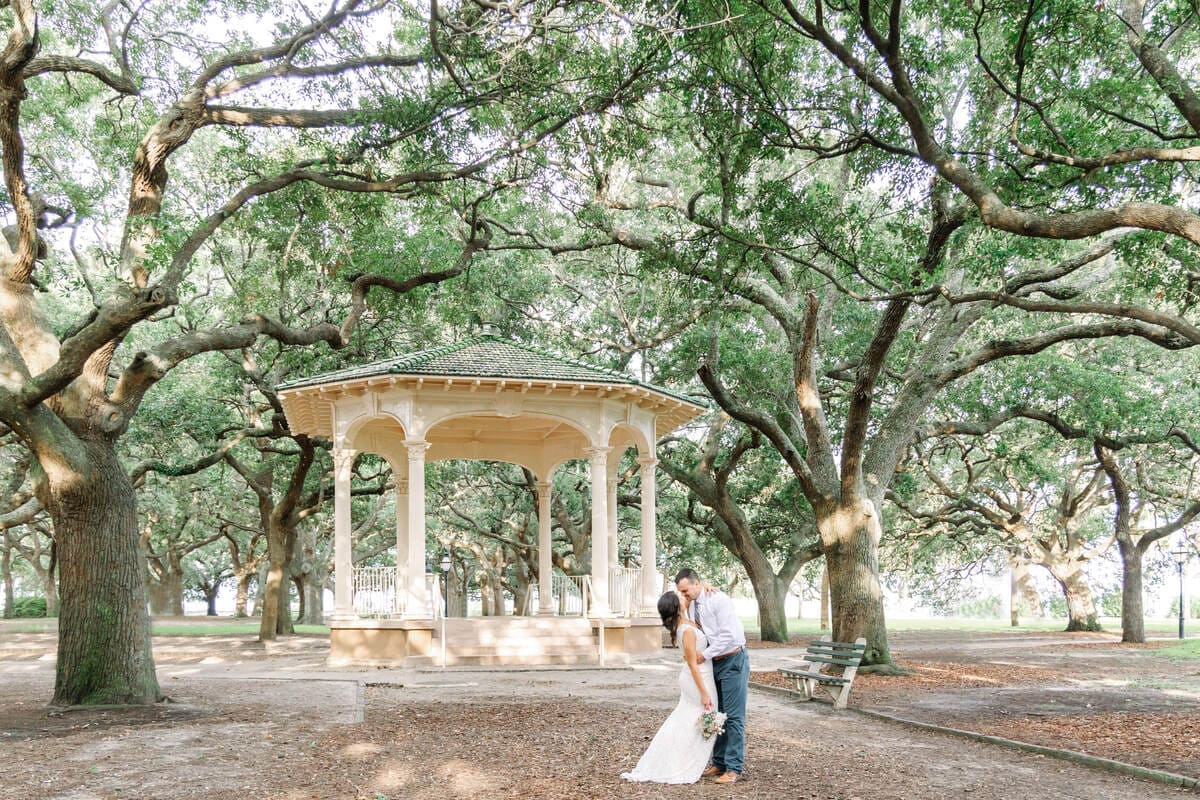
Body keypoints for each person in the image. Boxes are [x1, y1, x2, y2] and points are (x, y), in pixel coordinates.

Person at [620, 590, 720, 784]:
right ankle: (678, 762)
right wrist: (704, 693)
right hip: (698, 678)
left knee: (683, 720)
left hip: (697, 676)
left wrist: (705, 586)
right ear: (676, 606)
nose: (684, 597)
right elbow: (692, 664)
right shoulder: (687, 630)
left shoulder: (685, 623)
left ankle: (671, 758)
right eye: (680, 597)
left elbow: (698, 596)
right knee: (697, 720)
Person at [676, 567, 747, 784]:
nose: (684, 596)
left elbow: (729, 636)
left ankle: (734, 768)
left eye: (686, 591)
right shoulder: (695, 601)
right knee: (718, 713)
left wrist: (703, 655)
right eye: (681, 592)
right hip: (713, 663)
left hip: (732, 659)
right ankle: (719, 763)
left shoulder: (719, 600)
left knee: (734, 716)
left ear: (697, 584)